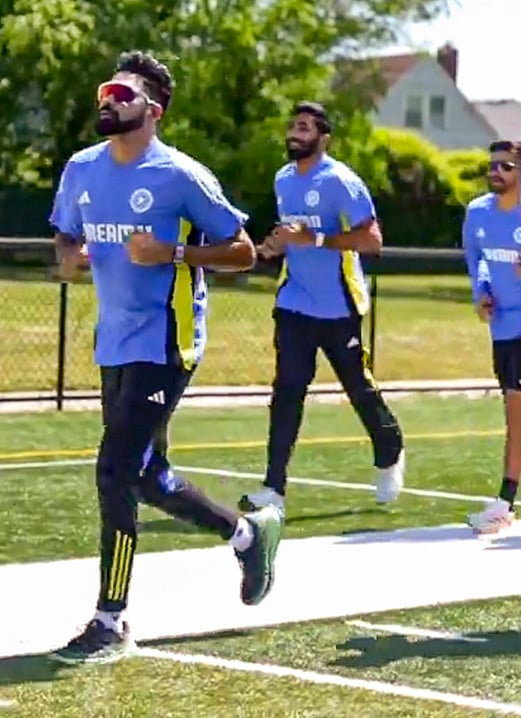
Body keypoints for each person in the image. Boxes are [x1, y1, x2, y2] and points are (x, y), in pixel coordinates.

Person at [47, 51, 282, 663]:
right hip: (114, 343)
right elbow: (67, 237)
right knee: (148, 476)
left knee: (114, 471)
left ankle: (110, 620)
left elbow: (244, 251)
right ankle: (247, 533)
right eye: (104, 90)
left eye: (120, 93)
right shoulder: (81, 169)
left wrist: (176, 256)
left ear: (151, 110)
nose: (107, 100)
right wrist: (68, 257)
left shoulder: (180, 176)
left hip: (167, 343)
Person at [240, 101, 405, 512]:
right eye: (292, 126)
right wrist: (273, 246)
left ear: (322, 137)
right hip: (294, 303)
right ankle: (273, 487)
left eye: (304, 127)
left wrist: (315, 240)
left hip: (339, 306)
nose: (294, 134)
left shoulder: (340, 181)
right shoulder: (283, 179)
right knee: (287, 392)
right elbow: (288, 237)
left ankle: (390, 450)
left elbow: (372, 241)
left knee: (358, 389)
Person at [462, 140, 521, 534]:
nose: (496, 172)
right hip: (503, 329)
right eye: (492, 165)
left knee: (516, 417)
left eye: (506, 167)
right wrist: (481, 296)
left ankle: (504, 503)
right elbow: (477, 262)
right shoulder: (477, 213)